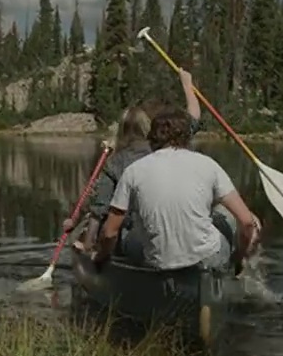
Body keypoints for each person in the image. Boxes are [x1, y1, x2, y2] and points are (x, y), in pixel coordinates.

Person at [92, 107, 262, 275]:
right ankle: (234, 269)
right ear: (188, 138)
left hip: (156, 262)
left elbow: (109, 232)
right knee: (231, 218)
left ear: (151, 137)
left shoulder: (133, 171)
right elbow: (247, 222)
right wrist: (239, 255)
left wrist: (101, 257)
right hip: (206, 259)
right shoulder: (209, 165)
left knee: (128, 235)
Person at [61, 69, 203, 252]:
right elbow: (193, 119)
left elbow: (99, 210)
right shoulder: (169, 146)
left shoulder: (114, 163)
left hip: (133, 236)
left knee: (100, 218)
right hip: (177, 230)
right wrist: (187, 84)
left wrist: (86, 241)